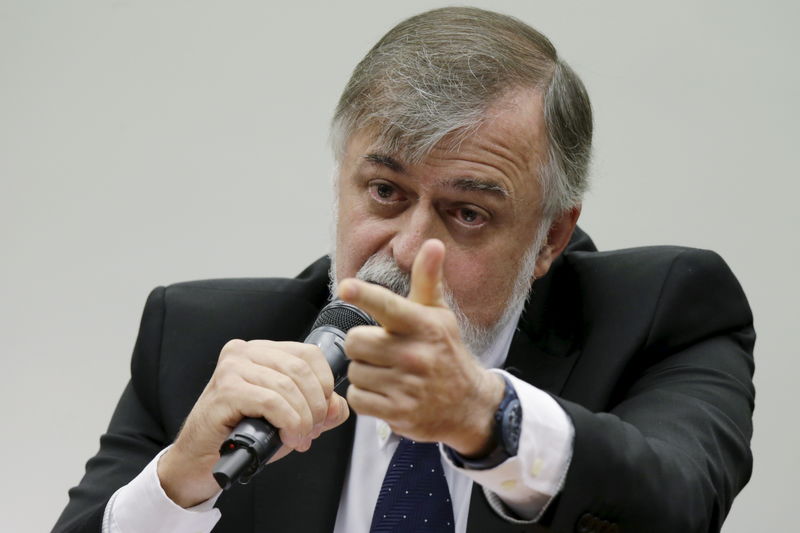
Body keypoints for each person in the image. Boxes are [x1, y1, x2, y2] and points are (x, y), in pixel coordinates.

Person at [52, 7, 755, 533]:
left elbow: (679, 505)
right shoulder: (201, 340)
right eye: (385, 193)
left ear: (550, 238)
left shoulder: (663, 318)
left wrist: (489, 417)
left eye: (468, 213)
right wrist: (179, 485)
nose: (408, 249)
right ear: (341, 183)